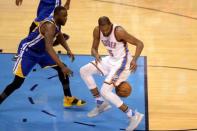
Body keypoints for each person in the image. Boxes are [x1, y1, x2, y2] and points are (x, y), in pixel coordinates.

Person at [0, 6, 86, 108]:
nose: (66, 18)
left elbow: (59, 35)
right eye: (64, 16)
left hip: (41, 51)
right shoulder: (50, 26)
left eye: (66, 16)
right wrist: (62, 67)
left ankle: (68, 98)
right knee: (17, 83)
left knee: (62, 68)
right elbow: (49, 48)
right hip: (29, 52)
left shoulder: (57, 23)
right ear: (57, 16)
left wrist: (68, 49)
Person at [80, 16, 144, 130]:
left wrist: (135, 59)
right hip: (110, 60)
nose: (104, 32)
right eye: (102, 29)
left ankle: (134, 116)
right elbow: (93, 48)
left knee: (105, 91)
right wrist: (95, 53)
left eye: (106, 29)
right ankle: (101, 103)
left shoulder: (119, 31)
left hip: (122, 63)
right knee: (84, 71)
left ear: (110, 25)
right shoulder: (97, 30)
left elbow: (140, 43)